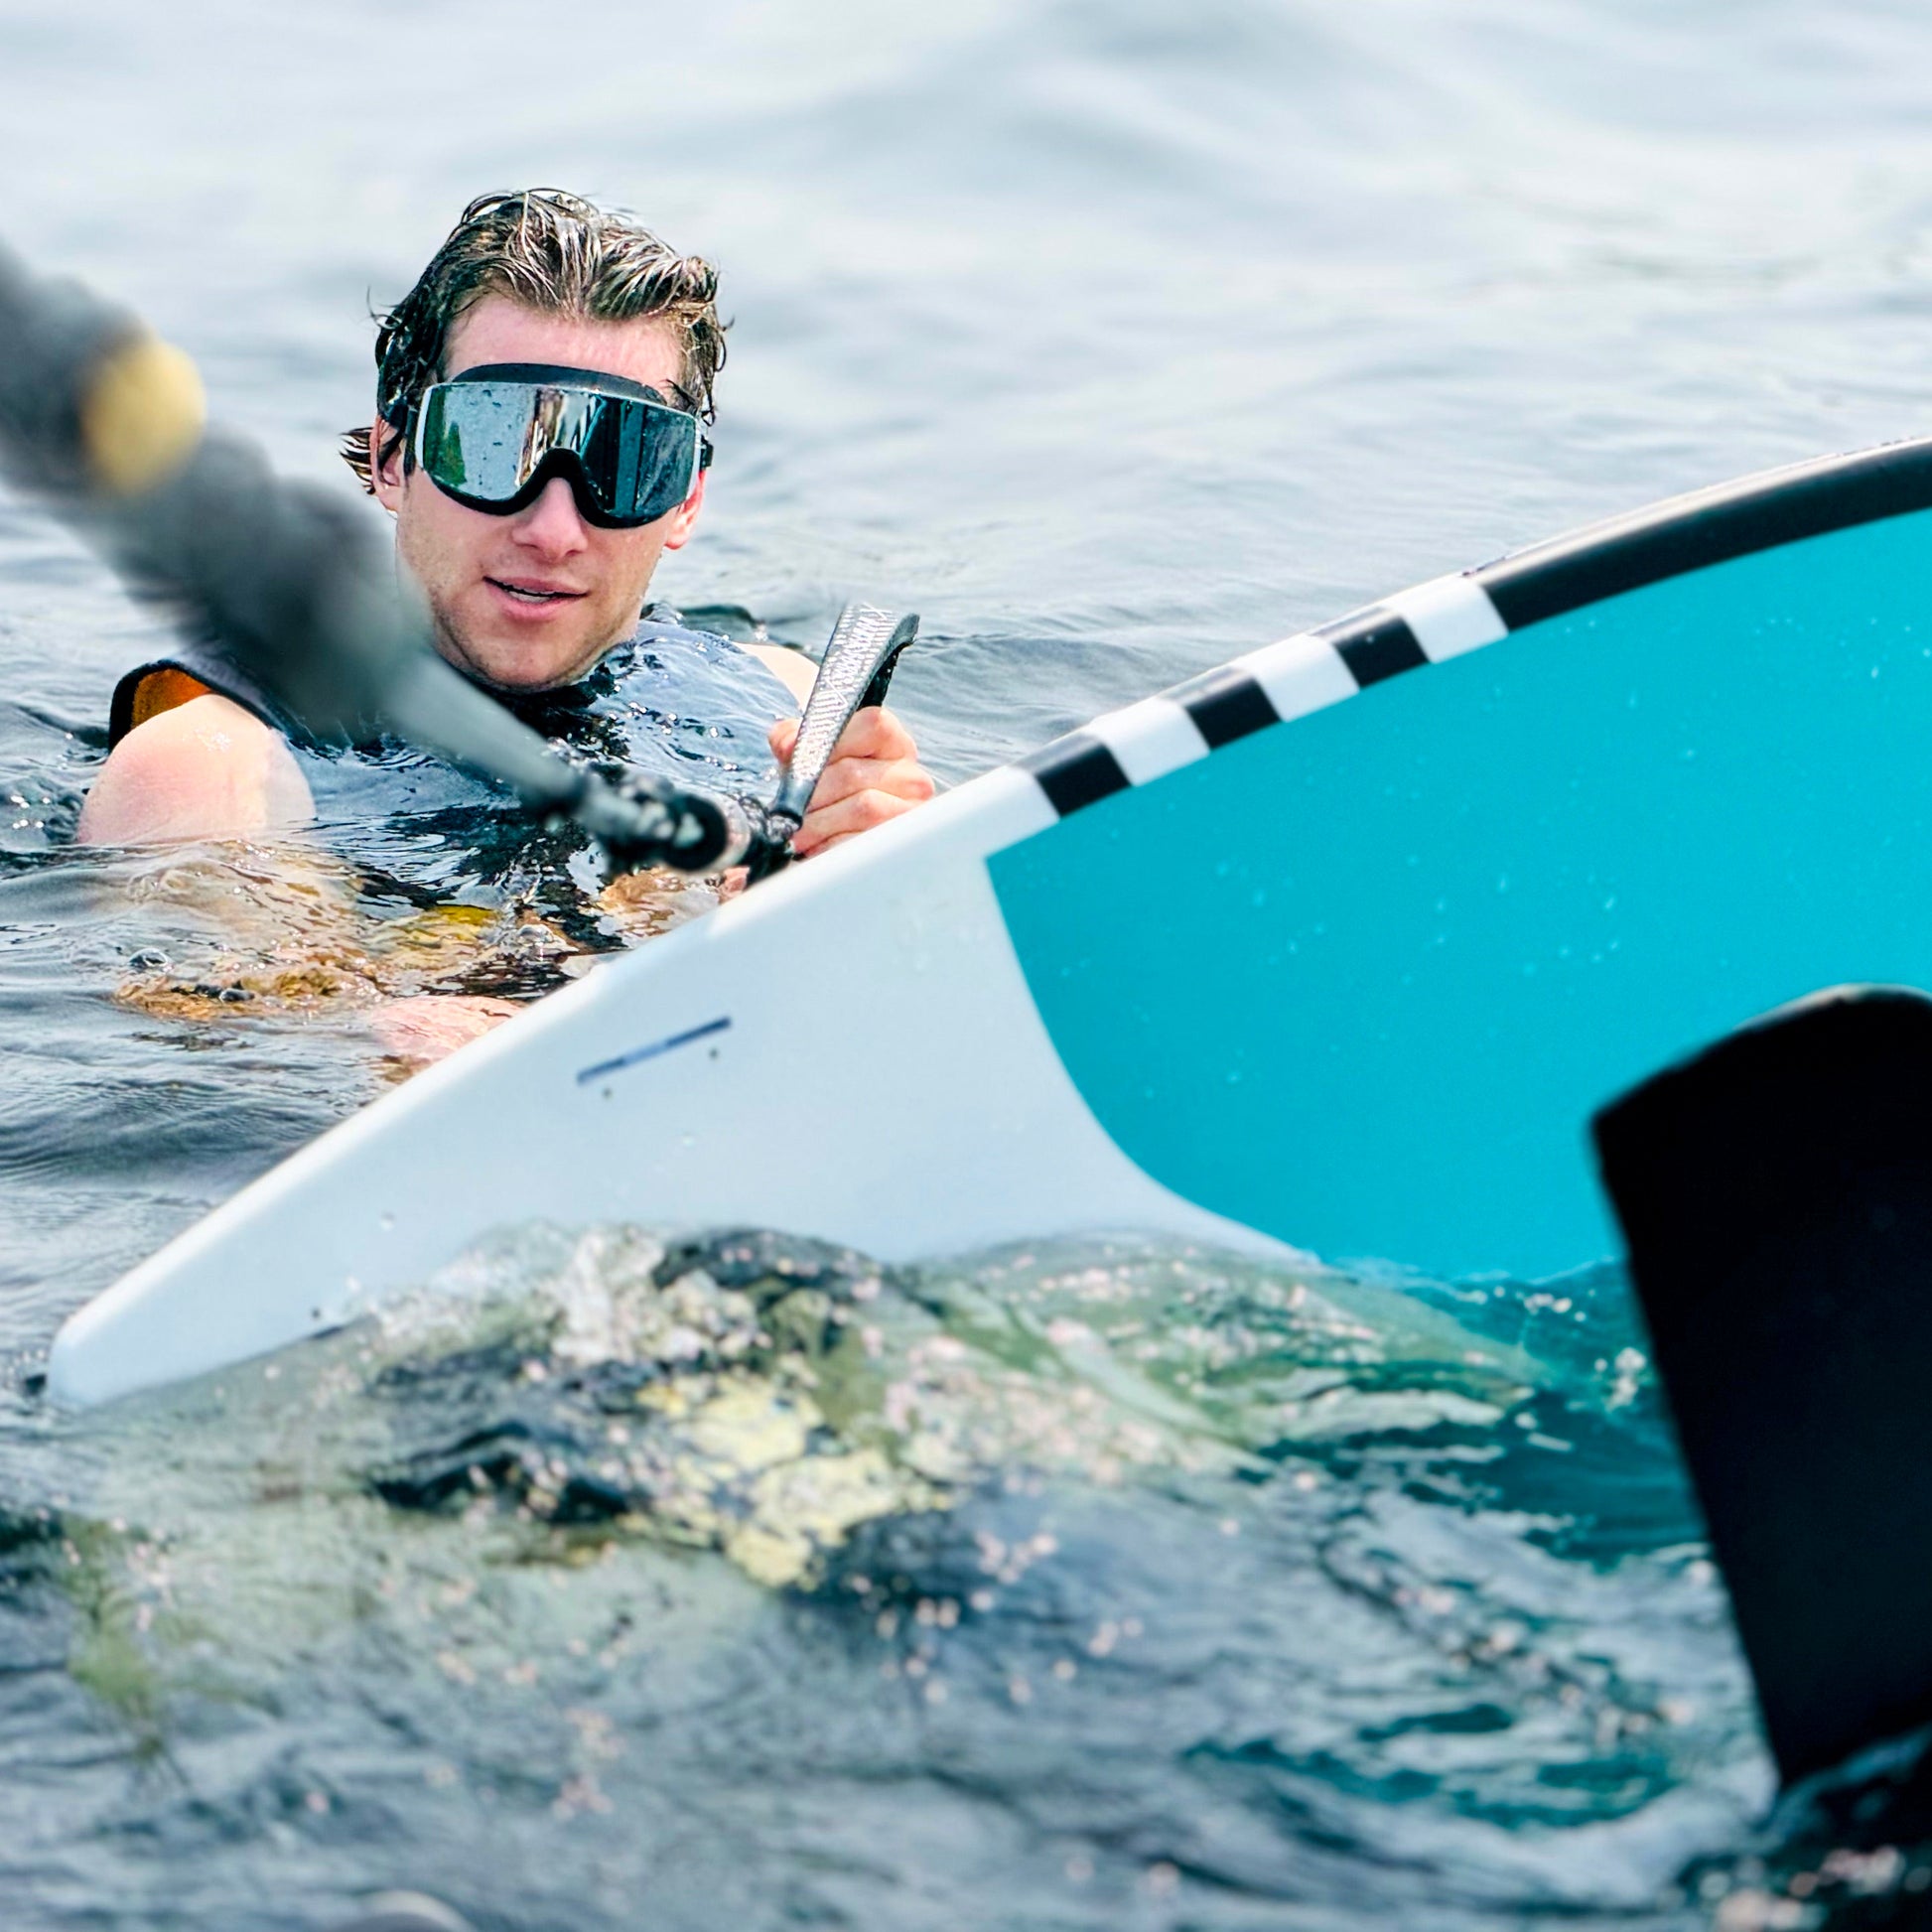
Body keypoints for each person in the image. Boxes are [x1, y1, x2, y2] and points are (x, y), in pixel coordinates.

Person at [75, 190, 934, 1053]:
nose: (554, 531)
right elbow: (246, 1037)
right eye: (492, 442)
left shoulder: (786, 705)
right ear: (392, 457)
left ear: (686, 502)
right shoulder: (213, 770)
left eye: (627, 460)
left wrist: (898, 882)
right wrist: (378, 1016)